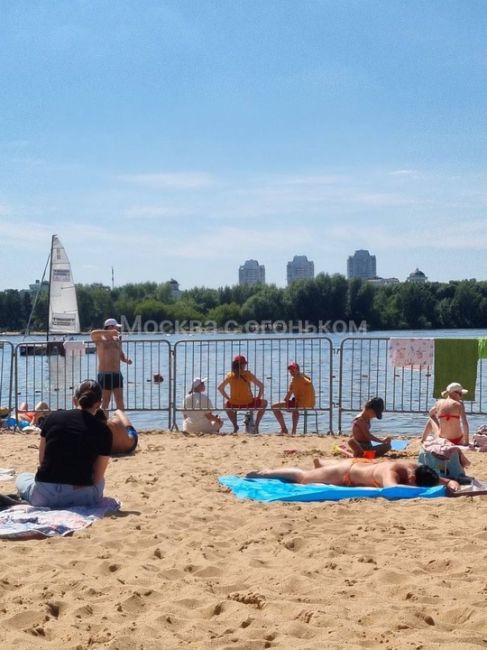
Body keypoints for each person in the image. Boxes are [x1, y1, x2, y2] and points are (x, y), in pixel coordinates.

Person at [16, 379, 112, 507]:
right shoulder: (104, 431)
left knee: (22, 477)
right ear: (99, 404)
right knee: (101, 482)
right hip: (79, 498)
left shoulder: (52, 418)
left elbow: (42, 460)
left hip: (44, 494)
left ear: (74, 400)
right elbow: (97, 477)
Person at [246, 458, 460, 492]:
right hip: (345, 473)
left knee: (312, 472)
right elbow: (392, 489)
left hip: (360, 466)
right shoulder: (393, 471)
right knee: (303, 478)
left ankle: (322, 462)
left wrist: (450, 483)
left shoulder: (417, 467)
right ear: (412, 479)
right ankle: (264, 473)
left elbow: (439, 478)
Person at [90, 318, 132, 414]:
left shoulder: (117, 339)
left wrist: (126, 359)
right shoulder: (100, 338)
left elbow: (121, 354)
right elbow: (92, 333)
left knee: (120, 402)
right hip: (105, 374)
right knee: (105, 402)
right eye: (116, 327)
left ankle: (122, 425)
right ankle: (104, 425)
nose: (118, 330)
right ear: (110, 327)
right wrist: (109, 333)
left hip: (117, 374)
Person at [218, 355, 267, 433]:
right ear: (242, 365)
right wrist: (258, 397)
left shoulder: (230, 375)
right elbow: (261, 386)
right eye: (245, 364)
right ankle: (256, 425)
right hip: (248, 402)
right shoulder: (248, 374)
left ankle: (235, 425)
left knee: (225, 405)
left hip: (234, 403)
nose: (245, 365)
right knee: (265, 402)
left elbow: (220, 388)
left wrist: (228, 399)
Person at [271, 361, 315, 435]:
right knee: (295, 405)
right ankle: (293, 431)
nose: (291, 372)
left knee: (274, 407)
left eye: (293, 370)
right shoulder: (304, 376)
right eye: (290, 370)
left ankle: (284, 429)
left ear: (297, 370)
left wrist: (285, 402)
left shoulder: (295, 380)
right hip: (311, 403)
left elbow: (287, 397)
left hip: (302, 403)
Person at [422, 382, 469, 446]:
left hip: (442, 439)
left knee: (431, 418)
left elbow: (430, 413)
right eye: (461, 394)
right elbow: (464, 423)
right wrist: (466, 442)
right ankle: (423, 439)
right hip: (458, 439)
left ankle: (423, 439)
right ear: (455, 393)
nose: (461, 396)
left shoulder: (439, 402)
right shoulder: (459, 404)